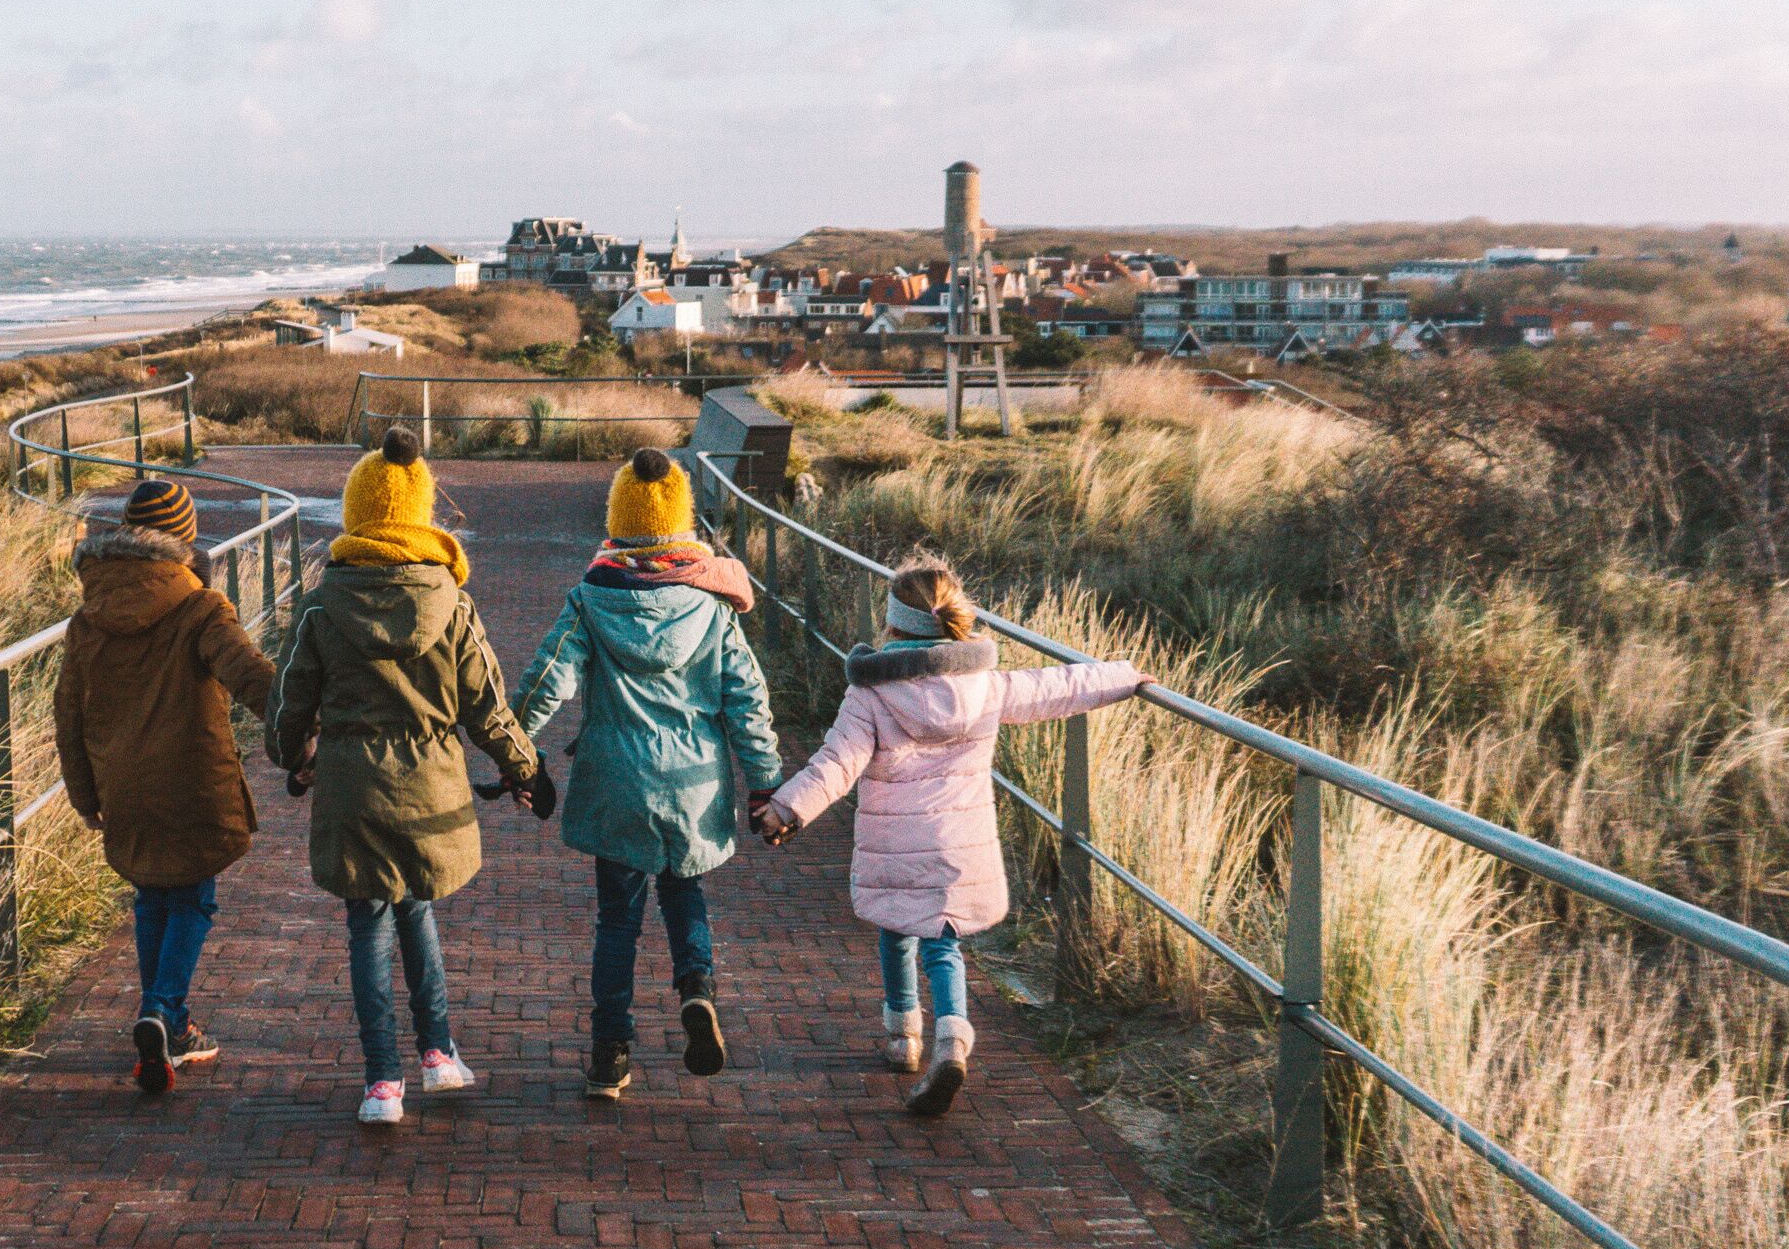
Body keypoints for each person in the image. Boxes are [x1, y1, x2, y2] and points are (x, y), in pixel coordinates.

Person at [751, 554, 1145, 1118]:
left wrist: (787, 809)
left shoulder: (871, 694)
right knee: (945, 942)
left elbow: (835, 764)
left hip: (896, 844)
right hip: (961, 839)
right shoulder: (986, 685)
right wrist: (1125, 677)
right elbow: (1058, 686)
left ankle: (902, 1037)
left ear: (892, 626)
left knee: (896, 928)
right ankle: (953, 1041)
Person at [266, 429, 549, 1126]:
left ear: (357, 513)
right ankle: (438, 1053)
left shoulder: (322, 603)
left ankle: (380, 1083)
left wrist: (293, 758)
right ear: (421, 513)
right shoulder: (451, 602)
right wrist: (525, 769)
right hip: (429, 784)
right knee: (417, 909)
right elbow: (487, 704)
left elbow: (288, 701)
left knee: (367, 924)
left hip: (350, 785)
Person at [513, 446, 781, 1101]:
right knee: (685, 894)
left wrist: (515, 749)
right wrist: (766, 780)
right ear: (680, 519)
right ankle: (696, 987)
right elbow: (746, 696)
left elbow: (549, 680)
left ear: (619, 520)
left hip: (617, 782)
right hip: (694, 784)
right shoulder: (712, 602)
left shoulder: (590, 599)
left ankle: (611, 1055)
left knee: (618, 922)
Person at [50, 472, 278, 1094]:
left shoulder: (86, 619)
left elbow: (66, 713)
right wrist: (299, 727)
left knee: (152, 897)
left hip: (121, 782)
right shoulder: (199, 606)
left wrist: (84, 794)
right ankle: (162, 1011)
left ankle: (169, 1026)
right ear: (184, 539)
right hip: (192, 780)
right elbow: (249, 675)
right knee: (194, 898)